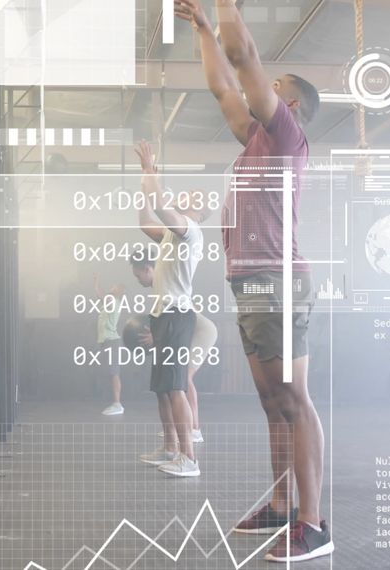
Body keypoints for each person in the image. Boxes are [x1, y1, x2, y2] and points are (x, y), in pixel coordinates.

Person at [176, 0, 333, 562]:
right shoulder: (254, 142)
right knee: (271, 402)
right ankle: (280, 505)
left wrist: (224, 9)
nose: (256, 88)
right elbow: (223, 86)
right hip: (249, 281)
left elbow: (242, 56)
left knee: (294, 398)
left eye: (273, 82)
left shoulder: (287, 136)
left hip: (278, 280)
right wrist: (201, 29)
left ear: (286, 103)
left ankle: (313, 523)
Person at [131, 140, 211, 478]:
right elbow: (146, 219)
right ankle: (169, 448)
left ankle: (189, 458)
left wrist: (150, 173)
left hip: (178, 316)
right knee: (164, 387)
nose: (184, 195)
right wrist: (146, 185)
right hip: (163, 316)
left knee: (176, 386)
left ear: (198, 210)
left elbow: (163, 209)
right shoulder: (170, 234)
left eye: (190, 196)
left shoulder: (189, 231)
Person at [130, 256, 216, 443]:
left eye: (138, 276)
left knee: (184, 377)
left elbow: (185, 313)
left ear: (148, 269)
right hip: (191, 330)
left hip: (202, 331)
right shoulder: (160, 287)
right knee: (178, 380)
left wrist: (158, 335)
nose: (138, 281)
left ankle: (194, 429)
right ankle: (182, 428)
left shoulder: (165, 284)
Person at [94, 274, 126, 415]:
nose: (111, 287)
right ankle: (116, 403)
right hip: (108, 341)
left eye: (114, 286)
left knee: (114, 372)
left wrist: (96, 282)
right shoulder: (112, 301)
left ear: (118, 290)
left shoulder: (112, 299)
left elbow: (101, 295)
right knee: (112, 372)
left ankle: (117, 404)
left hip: (112, 341)